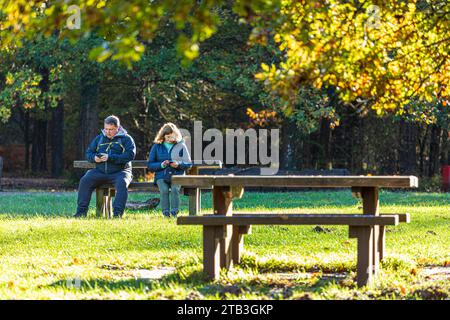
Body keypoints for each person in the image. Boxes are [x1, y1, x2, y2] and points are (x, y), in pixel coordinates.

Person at [74, 115, 136, 218]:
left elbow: (130, 155)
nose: (107, 132)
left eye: (111, 129)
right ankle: (81, 213)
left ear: (117, 128)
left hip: (121, 172)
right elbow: (89, 153)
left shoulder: (126, 139)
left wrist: (110, 157)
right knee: (85, 180)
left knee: (122, 183)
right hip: (100, 171)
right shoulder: (99, 138)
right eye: (106, 129)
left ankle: (117, 214)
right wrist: (94, 158)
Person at [147, 123, 192, 217]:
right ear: (163, 136)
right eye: (167, 137)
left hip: (177, 174)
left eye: (172, 137)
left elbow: (188, 164)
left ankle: (174, 212)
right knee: (164, 190)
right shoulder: (157, 146)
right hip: (161, 175)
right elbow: (150, 164)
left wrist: (178, 164)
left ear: (176, 135)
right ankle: (166, 213)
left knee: (175, 189)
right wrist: (161, 165)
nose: (169, 139)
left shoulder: (181, 146)